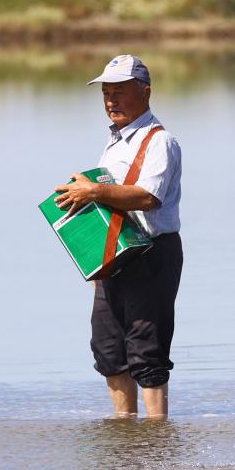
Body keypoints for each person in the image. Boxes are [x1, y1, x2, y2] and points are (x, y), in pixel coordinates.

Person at [54, 54, 183, 418]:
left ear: (146, 92)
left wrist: (93, 192)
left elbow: (148, 196)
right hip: (115, 256)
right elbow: (111, 197)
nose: (111, 101)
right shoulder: (114, 142)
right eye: (106, 93)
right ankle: (123, 430)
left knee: (147, 350)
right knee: (108, 349)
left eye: (120, 92)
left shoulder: (160, 141)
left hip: (154, 253)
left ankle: (156, 436)